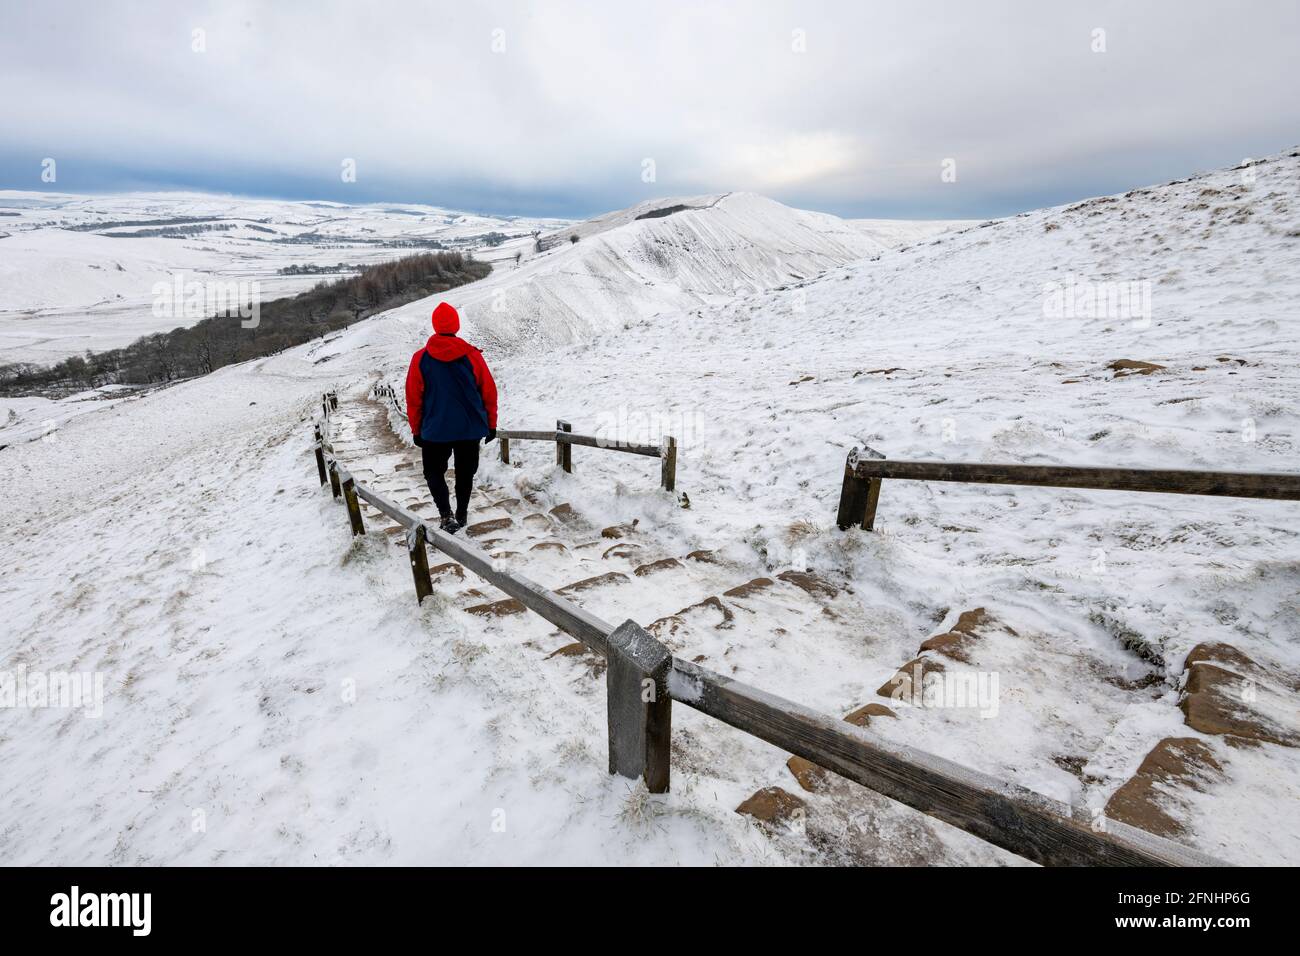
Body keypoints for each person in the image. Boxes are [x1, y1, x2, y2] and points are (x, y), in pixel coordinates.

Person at [404, 302, 498, 534]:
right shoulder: (472, 356)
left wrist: (416, 429)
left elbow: (413, 397)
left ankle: (446, 516)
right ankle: (462, 513)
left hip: (435, 430)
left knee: (433, 472)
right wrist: (491, 424)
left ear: (435, 325)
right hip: (469, 428)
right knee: (465, 472)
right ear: (456, 325)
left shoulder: (421, 359)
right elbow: (488, 391)